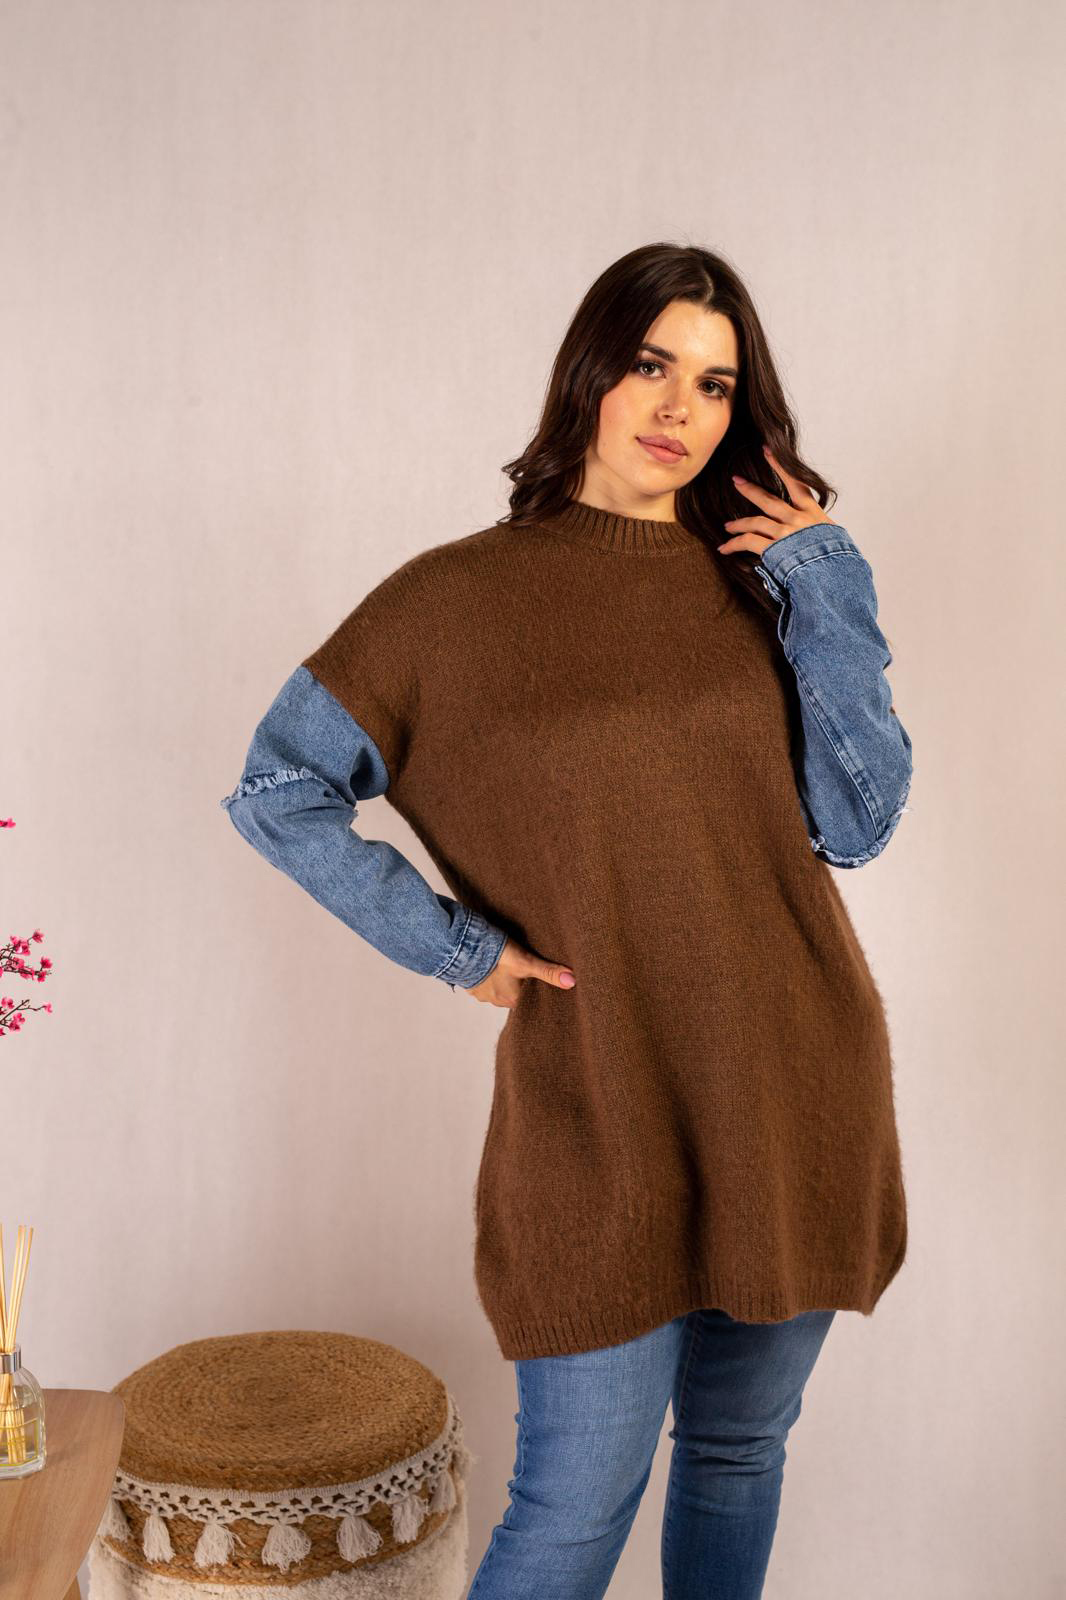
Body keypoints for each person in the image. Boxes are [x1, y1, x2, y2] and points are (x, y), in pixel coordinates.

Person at [220, 242, 913, 1599]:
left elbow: (859, 820)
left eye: (714, 384)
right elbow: (277, 789)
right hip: (595, 1103)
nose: (677, 407)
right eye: (652, 365)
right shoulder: (453, 601)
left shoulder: (764, 585)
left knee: (736, 1455)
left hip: (795, 1081)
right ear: (590, 372)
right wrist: (453, 947)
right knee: (572, 1503)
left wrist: (827, 580)